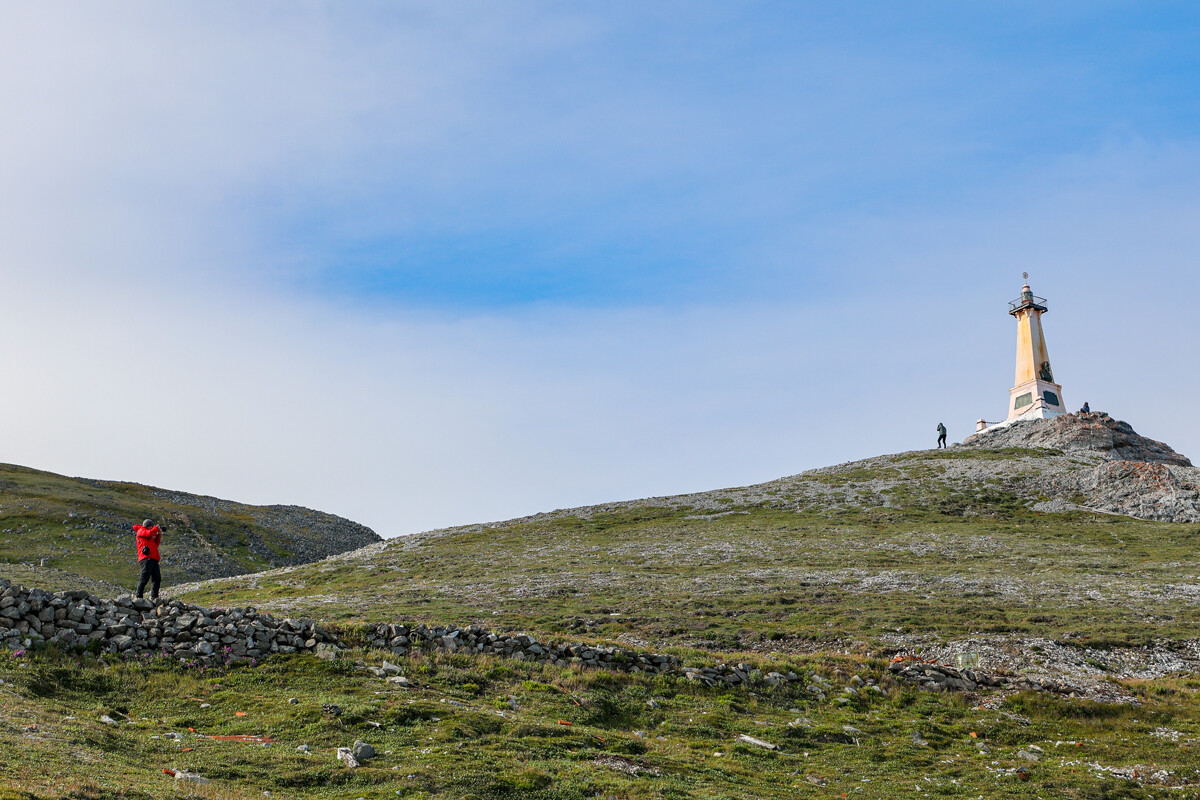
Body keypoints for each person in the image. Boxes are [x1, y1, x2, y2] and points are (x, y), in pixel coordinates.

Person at [134, 519, 163, 600]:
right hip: (146, 558)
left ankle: (155, 597)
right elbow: (149, 533)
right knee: (145, 578)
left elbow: (155, 545)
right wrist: (156, 528)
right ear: (148, 526)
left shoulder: (149, 535)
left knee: (157, 578)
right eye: (151, 526)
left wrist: (159, 535)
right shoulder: (141, 530)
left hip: (153, 558)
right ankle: (139, 596)